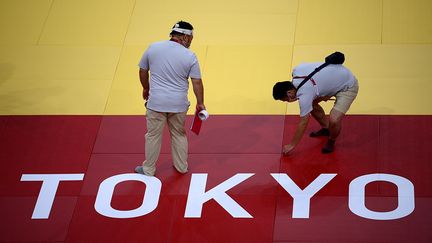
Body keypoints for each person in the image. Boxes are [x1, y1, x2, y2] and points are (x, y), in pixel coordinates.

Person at [135, 21, 205, 176]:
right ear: (185, 36)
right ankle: (181, 167)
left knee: (153, 136)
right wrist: (200, 103)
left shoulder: (153, 47)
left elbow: (142, 70)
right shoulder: (190, 56)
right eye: (191, 38)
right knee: (179, 134)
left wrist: (146, 88)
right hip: (178, 104)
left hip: (156, 103)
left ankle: (148, 170)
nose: (191, 42)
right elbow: (197, 81)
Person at [273, 61, 359, 154]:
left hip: (348, 86)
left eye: (286, 100)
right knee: (311, 104)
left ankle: (331, 140)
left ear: (289, 93)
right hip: (339, 75)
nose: (288, 102)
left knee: (334, 120)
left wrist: (292, 145)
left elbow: (303, 122)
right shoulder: (296, 71)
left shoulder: (305, 93)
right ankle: (326, 129)